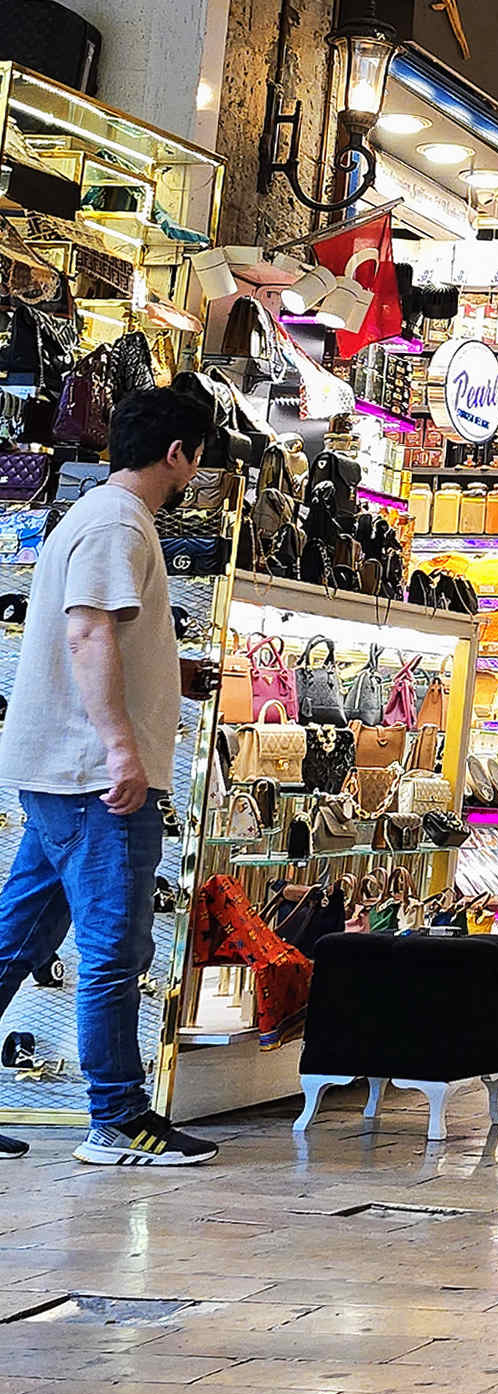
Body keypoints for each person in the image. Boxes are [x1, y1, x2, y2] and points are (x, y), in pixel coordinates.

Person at [0, 382, 218, 1166]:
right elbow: (87, 634)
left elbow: (102, 636)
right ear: (177, 453)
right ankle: (118, 1119)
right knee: (113, 950)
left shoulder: (99, 516)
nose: (198, 471)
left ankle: (115, 1113)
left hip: (68, 772)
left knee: (19, 940)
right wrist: (122, 751)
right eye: (199, 456)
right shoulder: (118, 521)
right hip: (93, 778)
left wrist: (169, 673)